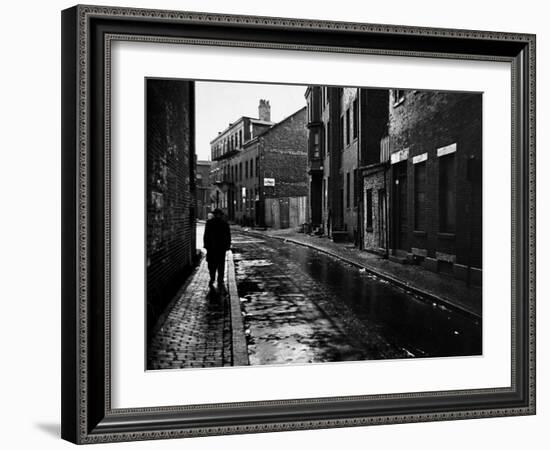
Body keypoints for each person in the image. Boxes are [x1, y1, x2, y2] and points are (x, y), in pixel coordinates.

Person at [203, 208, 231, 289]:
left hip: (214, 248)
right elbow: (206, 235)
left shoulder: (210, 223)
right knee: (218, 264)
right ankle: (217, 279)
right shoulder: (224, 223)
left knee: (214, 264)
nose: (218, 215)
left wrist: (206, 245)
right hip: (218, 248)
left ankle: (216, 279)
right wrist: (227, 246)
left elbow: (227, 236)